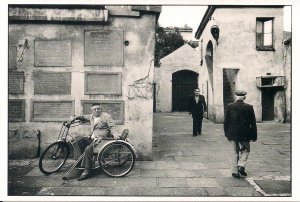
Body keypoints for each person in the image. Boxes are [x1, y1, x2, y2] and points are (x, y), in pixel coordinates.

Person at [71, 103, 116, 181]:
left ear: (101, 109)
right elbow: (83, 117)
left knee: (88, 149)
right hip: (92, 138)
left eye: (98, 109)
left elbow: (112, 126)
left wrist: (115, 134)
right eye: (95, 109)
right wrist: (76, 117)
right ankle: (80, 163)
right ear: (92, 110)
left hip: (101, 140)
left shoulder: (106, 117)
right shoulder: (91, 116)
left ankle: (87, 170)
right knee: (78, 140)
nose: (97, 110)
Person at [224, 90, 257, 178]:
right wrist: (254, 135)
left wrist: (227, 133)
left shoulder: (230, 106)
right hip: (245, 133)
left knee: (235, 152)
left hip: (233, 133)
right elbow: (253, 123)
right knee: (246, 150)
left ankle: (235, 172)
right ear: (244, 97)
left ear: (236, 97)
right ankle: (241, 165)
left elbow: (226, 122)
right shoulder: (249, 107)